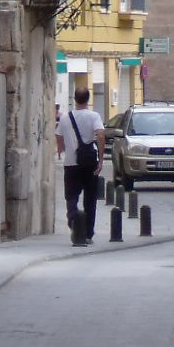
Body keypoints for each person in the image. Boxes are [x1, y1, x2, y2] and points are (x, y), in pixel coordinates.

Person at [56, 88, 105, 245]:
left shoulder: (65, 117)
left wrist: (62, 149)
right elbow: (101, 135)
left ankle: (73, 220)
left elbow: (58, 136)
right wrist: (101, 159)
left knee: (71, 197)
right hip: (89, 163)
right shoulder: (94, 116)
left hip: (71, 163)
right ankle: (88, 234)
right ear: (88, 98)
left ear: (74, 98)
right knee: (90, 199)